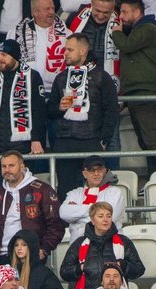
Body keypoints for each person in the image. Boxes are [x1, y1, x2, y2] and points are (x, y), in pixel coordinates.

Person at [0, 40, 48, 195]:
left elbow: (39, 111)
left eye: (4, 55)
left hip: (23, 150)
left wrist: (36, 139)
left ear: (15, 56)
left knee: (24, 199)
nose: (0, 58)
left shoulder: (32, 77)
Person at [47, 33, 119, 196]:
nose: (65, 53)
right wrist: (59, 107)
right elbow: (50, 111)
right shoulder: (61, 77)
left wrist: (104, 140)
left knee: (96, 190)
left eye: (70, 50)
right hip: (65, 142)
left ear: (83, 51)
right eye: (65, 49)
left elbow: (111, 110)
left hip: (91, 141)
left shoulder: (102, 76)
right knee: (66, 191)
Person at [110, 0, 156, 176]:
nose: (121, 16)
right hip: (137, 91)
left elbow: (127, 45)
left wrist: (116, 33)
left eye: (124, 12)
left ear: (137, 12)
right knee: (145, 140)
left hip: (146, 90)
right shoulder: (140, 30)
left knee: (151, 138)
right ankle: (155, 177)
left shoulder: (148, 28)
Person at [61, 201, 144, 289]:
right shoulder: (79, 243)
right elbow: (64, 272)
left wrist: (123, 265)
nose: (105, 219)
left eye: (108, 216)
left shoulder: (123, 242)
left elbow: (139, 269)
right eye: (101, 216)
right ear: (92, 220)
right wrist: (80, 268)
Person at [0, 151, 63, 267]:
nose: (7, 170)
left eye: (11, 166)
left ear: (22, 167)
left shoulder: (42, 190)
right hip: (3, 257)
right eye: (4, 166)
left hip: (30, 256)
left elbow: (56, 224)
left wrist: (44, 250)